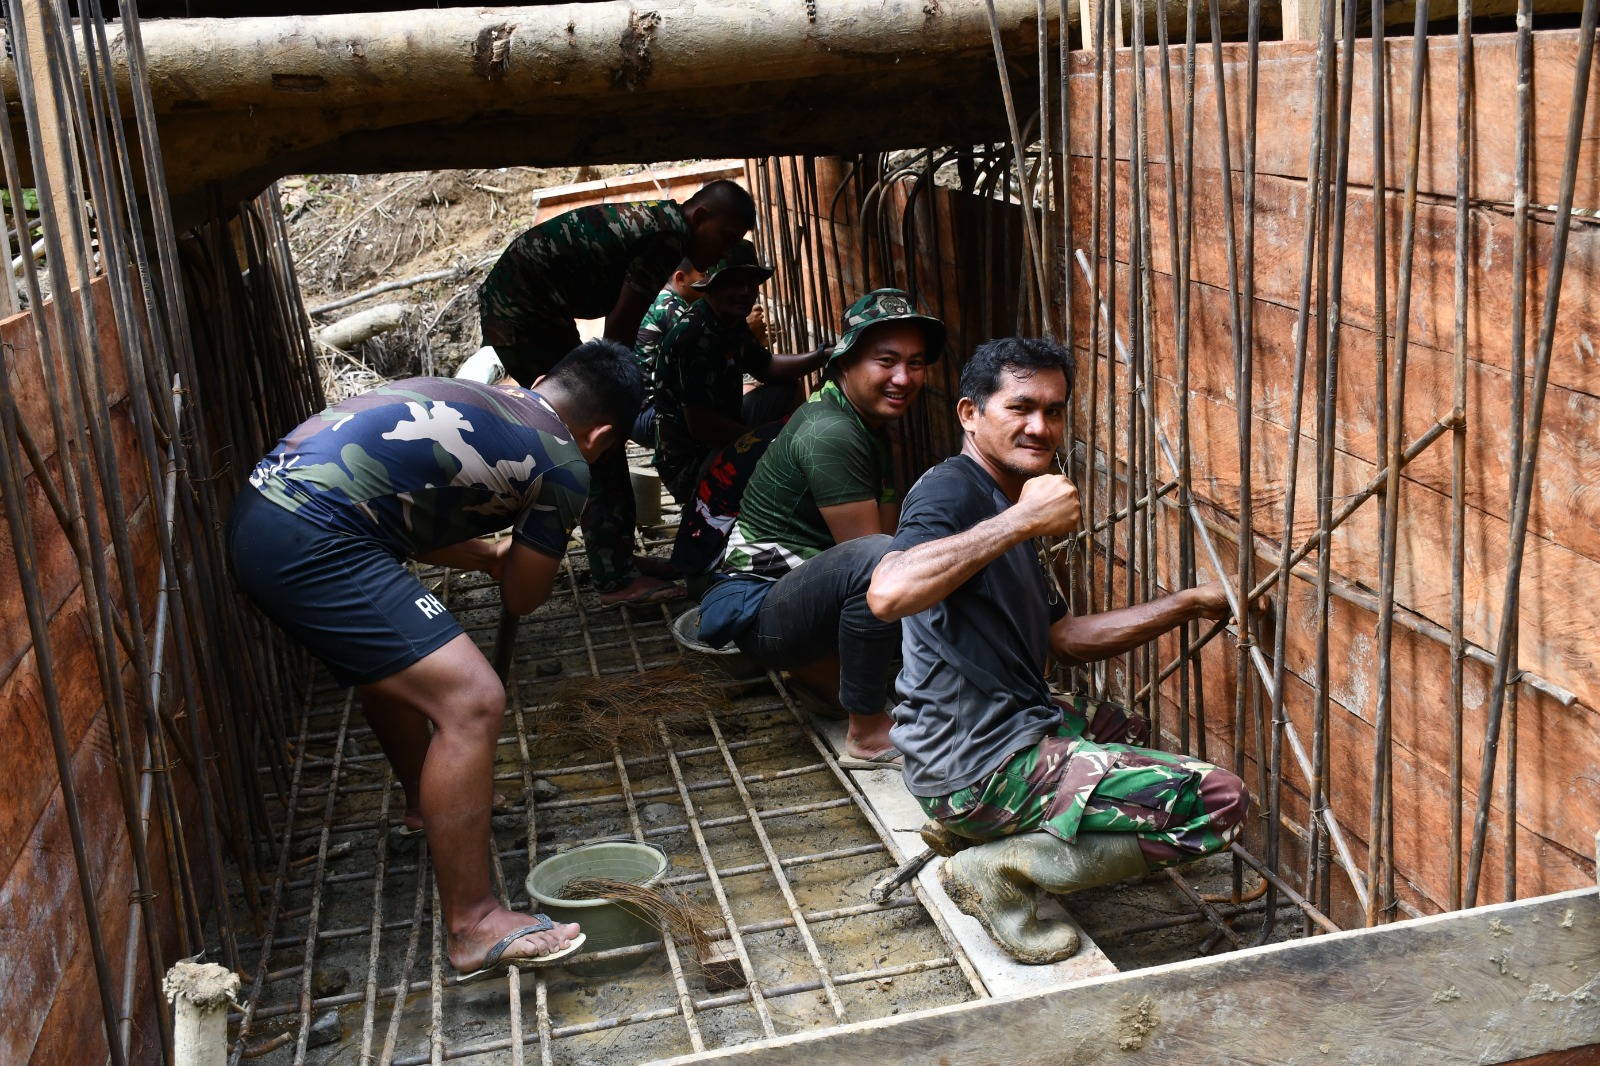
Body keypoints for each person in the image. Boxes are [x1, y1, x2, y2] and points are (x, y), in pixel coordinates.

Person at [226, 340, 644, 980]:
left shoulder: (489, 397)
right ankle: (473, 925)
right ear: (603, 435)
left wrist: (487, 553)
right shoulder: (565, 463)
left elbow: (404, 513)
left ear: (539, 378)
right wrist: (529, 546)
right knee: (471, 698)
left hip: (263, 513)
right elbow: (524, 596)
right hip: (312, 541)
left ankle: (426, 803)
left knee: (401, 668)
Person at [866, 336, 1248, 965]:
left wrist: (1189, 603)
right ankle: (997, 868)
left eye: (1054, 409)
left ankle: (983, 830)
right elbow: (889, 591)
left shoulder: (1005, 496)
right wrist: (1021, 521)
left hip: (995, 727)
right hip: (973, 761)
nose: (1040, 426)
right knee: (1218, 801)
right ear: (970, 414)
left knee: (1122, 727)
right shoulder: (953, 493)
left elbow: (1065, 639)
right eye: (1020, 407)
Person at [477, 180, 755, 605]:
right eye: (726, 238)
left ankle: (617, 557)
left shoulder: (661, 221)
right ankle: (614, 577)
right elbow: (620, 329)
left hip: (526, 306)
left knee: (601, 432)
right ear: (700, 217)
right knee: (596, 434)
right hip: (523, 312)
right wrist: (624, 401)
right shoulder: (666, 237)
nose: (723, 252)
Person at [697, 289, 943, 766]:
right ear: (845, 362)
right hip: (759, 607)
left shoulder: (863, 422)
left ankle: (822, 673)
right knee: (882, 566)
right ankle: (867, 732)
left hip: (792, 596)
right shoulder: (832, 431)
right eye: (886, 360)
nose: (903, 377)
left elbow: (889, 534)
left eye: (915, 363)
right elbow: (880, 565)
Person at [652, 238, 829, 507]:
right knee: (781, 472)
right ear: (711, 287)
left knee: (786, 388)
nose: (746, 292)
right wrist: (766, 445)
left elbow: (767, 366)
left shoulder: (729, 321)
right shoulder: (695, 335)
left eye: (751, 283)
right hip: (691, 461)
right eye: (734, 282)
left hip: (726, 426)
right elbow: (701, 426)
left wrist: (821, 356)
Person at [632, 258, 705, 446]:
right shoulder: (671, 307)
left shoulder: (660, 300)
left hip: (636, 414)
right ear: (680, 278)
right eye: (703, 275)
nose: (708, 280)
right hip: (651, 416)